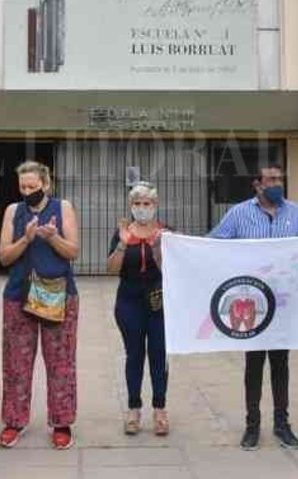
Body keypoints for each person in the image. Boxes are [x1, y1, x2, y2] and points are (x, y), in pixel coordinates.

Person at [210, 164, 298, 451]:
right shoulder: (239, 213)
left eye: (280, 179)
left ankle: (282, 424)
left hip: (284, 301)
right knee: (254, 365)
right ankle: (252, 425)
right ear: (257, 184)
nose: (277, 184)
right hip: (251, 301)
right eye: (271, 180)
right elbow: (214, 244)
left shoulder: (295, 213)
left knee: (281, 364)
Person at [0, 161, 81, 451]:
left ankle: (61, 423)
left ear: (46, 184)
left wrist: (53, 236)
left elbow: (73, 251)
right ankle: (14, 421)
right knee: (16, 363)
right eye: (23, 187)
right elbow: (4, 256)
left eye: (33, 186)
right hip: (19, 295)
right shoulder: (13, 212)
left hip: (58, 294)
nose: (28, 191)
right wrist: (26, 238)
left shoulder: (63, 207)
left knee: (60, 362)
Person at [107, 182, 169, 436]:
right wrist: (123, 243)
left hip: (159, 300)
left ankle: (160, 409)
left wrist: (156, 246)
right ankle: (133, 408)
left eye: (147, 203)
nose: (142, 208)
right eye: (137, 203)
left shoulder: (165, 232)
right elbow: (111, 269)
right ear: (131, 206)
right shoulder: (122, 232)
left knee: (158, 354)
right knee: (134, 355)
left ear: (155, 206)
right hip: (129, 299)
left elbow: (172, 269)